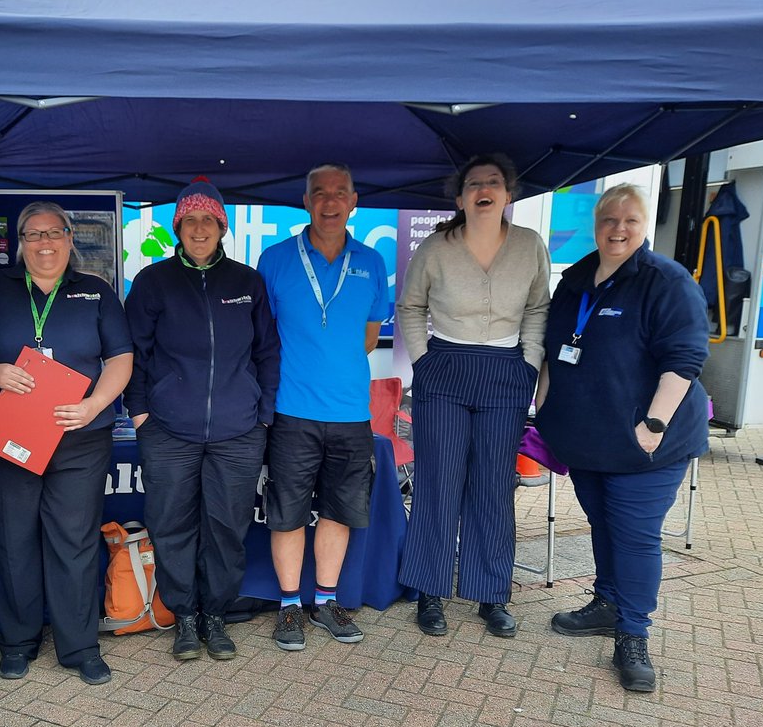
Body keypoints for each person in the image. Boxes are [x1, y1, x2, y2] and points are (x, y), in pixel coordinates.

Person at [535, 183, 709, 692]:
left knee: (634, 534)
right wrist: (546, 401)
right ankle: (608, 602)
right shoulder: (576, 279)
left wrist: (652, 425)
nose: (618, 228)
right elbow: (554, 345)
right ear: (596, 224)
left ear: (645, 225)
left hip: (646, 442)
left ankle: (633, 634)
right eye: (609, 219)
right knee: (603, 524)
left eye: (629, 220)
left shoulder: (665, 281)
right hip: (588, 436)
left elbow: (684, 359)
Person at [0, 201, 133, 685]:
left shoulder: (95, 292)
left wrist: (95, 405)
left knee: (74, 541)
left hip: (79, 439)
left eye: (55, 233)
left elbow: (120, 357)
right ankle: (18, 640)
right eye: (33, 235)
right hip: (7, 436)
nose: (45, 243)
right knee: (14, 540)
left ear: (70, 239)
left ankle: (79, 645)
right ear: (20, 243)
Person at [124, 178, 280, 662]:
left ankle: (217, 614)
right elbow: (133, 353)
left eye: (207, 220)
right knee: (171, 524)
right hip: (168, 429)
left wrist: (264, 415)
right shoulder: (154, 281)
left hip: (239, 430)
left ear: (221, 227)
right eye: (189, 220)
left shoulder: (246, 282)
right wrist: (141, 412)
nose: (198, 229)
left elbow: (267, 351)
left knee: (227, 526)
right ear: (177, 227)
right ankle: (184, 617)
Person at [395, 153, 550, 639]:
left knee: (493, 485)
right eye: (474, 184)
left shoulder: (529, 245)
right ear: (460, 197)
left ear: (509, 194)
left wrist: (527, 364)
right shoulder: (438, 247)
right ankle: (430, 591)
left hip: (506, 372)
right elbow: (411, 306)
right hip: (445, 369)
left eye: (494, 183)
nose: (484, 190)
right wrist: (423, 361)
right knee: (438, 481)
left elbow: (538, 308)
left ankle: (491, 595)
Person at [256, 163, 389, 651]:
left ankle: (326, 601)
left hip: (352, 413)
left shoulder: (371, 261)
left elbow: (370, 337)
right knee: (287, 513)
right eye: (319, 193)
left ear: (354, 200)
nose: (329, 202)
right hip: (292, 411)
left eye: (339, 193)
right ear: (305, 200)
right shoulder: (274, 260)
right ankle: (289, 607)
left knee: (338, 512)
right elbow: (264, 337)